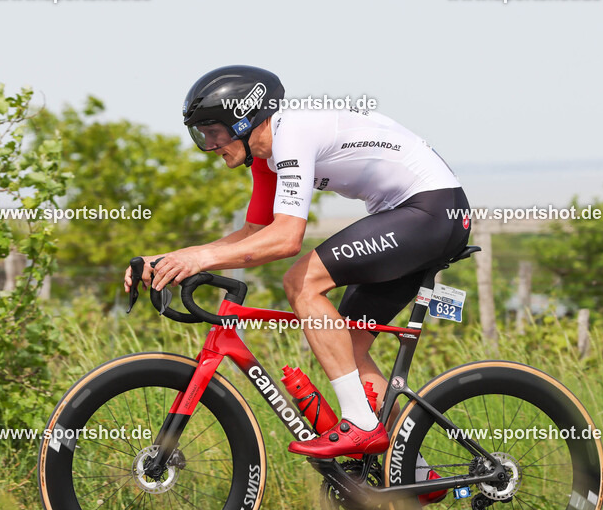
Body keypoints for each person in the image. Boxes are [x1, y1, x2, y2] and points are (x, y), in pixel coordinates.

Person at [124, 65, 471, 460]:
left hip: (431, 211)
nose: (209, 144)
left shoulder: (292, 133)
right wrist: (173, 259)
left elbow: (287, 239)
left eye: (213, 132)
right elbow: (256, 232)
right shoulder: (267, 155)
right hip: (414, 216)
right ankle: (410, 471)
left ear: (245, 116)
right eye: (201, 135)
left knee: (301, 283)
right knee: (348, 348)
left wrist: (199, 258)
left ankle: (360, 424)